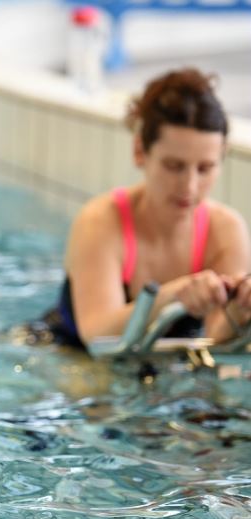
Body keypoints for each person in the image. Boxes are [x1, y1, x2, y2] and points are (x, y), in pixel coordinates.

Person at [47, 68, 251, 347]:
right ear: (140, 152)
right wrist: (175, 295)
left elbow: (216, 340)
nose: (189, 186)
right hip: (69, 353)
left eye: (205, 168)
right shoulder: (101, 221)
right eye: (174, 166)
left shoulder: (226, 229)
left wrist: (239, 311)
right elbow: (96, 334)